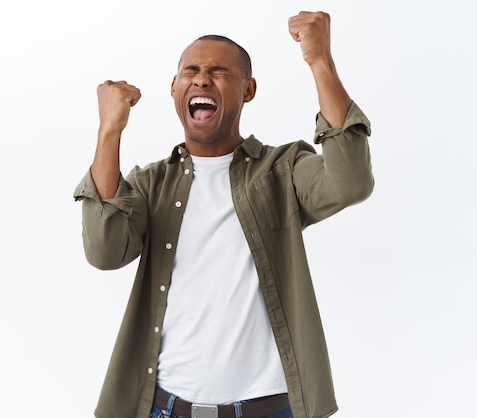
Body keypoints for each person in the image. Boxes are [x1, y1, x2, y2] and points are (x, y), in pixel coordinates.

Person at [74, 10, 374, 418]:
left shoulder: (281, 170)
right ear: (174, 87)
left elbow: (350, 181)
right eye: (191, 70)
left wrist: (320, 61)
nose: (201, 79)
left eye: (218, 71)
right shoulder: (149, 185)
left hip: (269, 410)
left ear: (248, 89)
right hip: (165, 410)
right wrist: (109, 131)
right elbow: (105, 252)